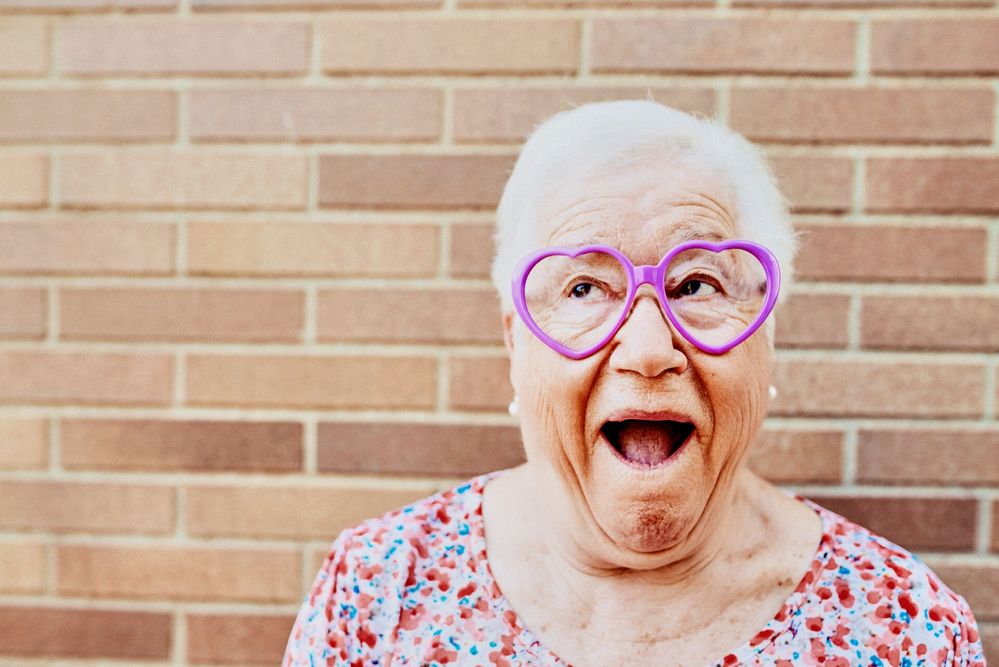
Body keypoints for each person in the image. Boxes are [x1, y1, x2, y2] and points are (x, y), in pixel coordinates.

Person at [282, 100, 985, 666]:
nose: (648, 351)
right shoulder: (376, 590)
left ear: (765, 334)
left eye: (696, 284)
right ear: (514, 340)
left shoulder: (906, 628)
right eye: (584, 287)